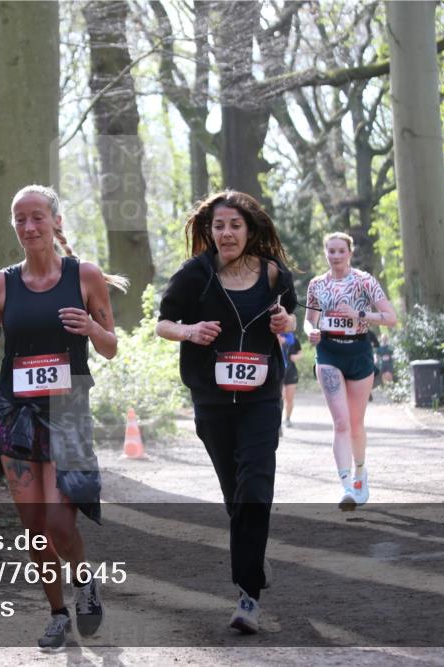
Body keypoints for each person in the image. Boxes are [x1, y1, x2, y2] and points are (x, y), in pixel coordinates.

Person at [0, 185, 125, 651]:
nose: (29, 227)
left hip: (67, 412)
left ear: (55, 221)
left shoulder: (85, 276)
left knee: (59, 520)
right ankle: (57, 614)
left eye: (37, 217)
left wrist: (93, 328)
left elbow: (110, 348)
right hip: (15, 414)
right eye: (20, 219)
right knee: (34, 525)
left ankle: (84, 582)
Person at [155, 190, 297, 635]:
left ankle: (247, 593)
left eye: (235, 225)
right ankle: (253, 556)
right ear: (209, 230)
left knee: (254, 486)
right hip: (213, 402)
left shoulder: (273, 274)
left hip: (261, 400)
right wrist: (191, 330)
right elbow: (163, 323)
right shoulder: (194, 275)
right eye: (219, 226)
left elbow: (292, 320)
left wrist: (285, 325)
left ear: (250, 230)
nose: (227, 233)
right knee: (235, 494)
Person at [304, 232, 397, 510]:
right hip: (329, 352)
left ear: (349, 253)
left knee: (356, 424)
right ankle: (345, 486)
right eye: (330, 251)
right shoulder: (316, 284)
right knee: (341, 422)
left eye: (340, 251)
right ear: (325, 253)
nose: (335, 256)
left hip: (358, 352)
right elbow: (309, 321)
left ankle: (360, 473)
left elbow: (391, 318)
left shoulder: (364, 281)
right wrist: (312, 332)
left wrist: (359, 315)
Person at [278, 331, 302, 427]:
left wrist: (296, 357)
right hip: (279, 371)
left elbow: (301, 353)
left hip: (291, 370)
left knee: (289, 398)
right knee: (281, 397)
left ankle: (287, 419)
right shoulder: (276, 336)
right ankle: (278, 422)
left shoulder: (294, 339)